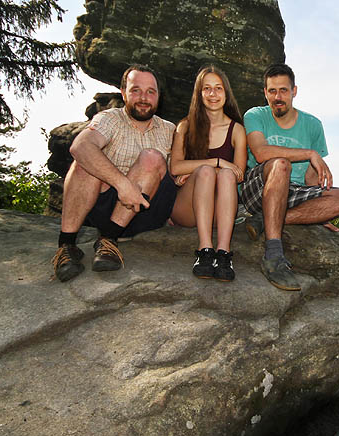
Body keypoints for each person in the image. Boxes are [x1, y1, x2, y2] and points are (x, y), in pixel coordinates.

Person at [51, 65, 177, 282]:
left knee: (151, 158)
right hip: (107, 208)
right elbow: (80, 146)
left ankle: (108, 241)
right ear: (123, 93)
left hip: (148, 211)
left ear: (159, 96)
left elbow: (176, 171)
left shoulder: (170, 129)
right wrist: (123, 185)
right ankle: (67, 246)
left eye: (151, 92)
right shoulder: (109, 118)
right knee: (84, 162)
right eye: (136, 90)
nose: (144, 98)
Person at [242, 63, 339, 291]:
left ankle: (266, 219)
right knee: (281, 164)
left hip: (293, 191)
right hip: (258, 187)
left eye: (283, 90)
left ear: (294, 91)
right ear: (265, 93)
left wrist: (319, 212)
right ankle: (273, 255)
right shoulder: (255, 115)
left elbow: (312, 176)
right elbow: (260, 153)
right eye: (272, 91)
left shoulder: (312, 125)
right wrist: (309, 153)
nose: (278, 97)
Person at [168, 65, 247, 280]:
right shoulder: (185, 126)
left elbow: (238, 173)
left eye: (218, 88)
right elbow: (175, 167)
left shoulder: (237, 130)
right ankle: (204, 251)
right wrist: (217, 162)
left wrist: (195, 168)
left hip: (219, 213)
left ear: (226, 92)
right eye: (207, 88)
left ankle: (223, 253)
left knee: (227, 175)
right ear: (199, 93)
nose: (213, 94)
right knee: (205, 172)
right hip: (187, 209)